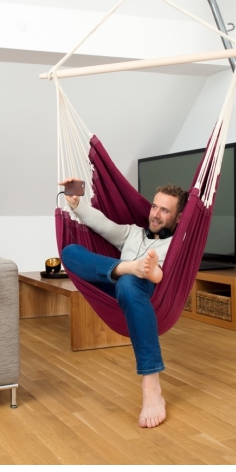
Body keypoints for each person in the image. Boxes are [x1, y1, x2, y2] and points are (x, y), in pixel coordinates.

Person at [59, 178, 189, 429]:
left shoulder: (177, 245)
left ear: (179, 217)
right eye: (154, 206)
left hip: (149, 294)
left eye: (165, 210)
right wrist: (76, 204)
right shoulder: (132, 233)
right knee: (70, 251)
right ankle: (127, 268)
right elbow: (102, 224)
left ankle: (151, 386)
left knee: (130, 283)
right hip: (116, 286)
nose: (155, 214)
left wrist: (150, 272)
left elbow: (164, 276)